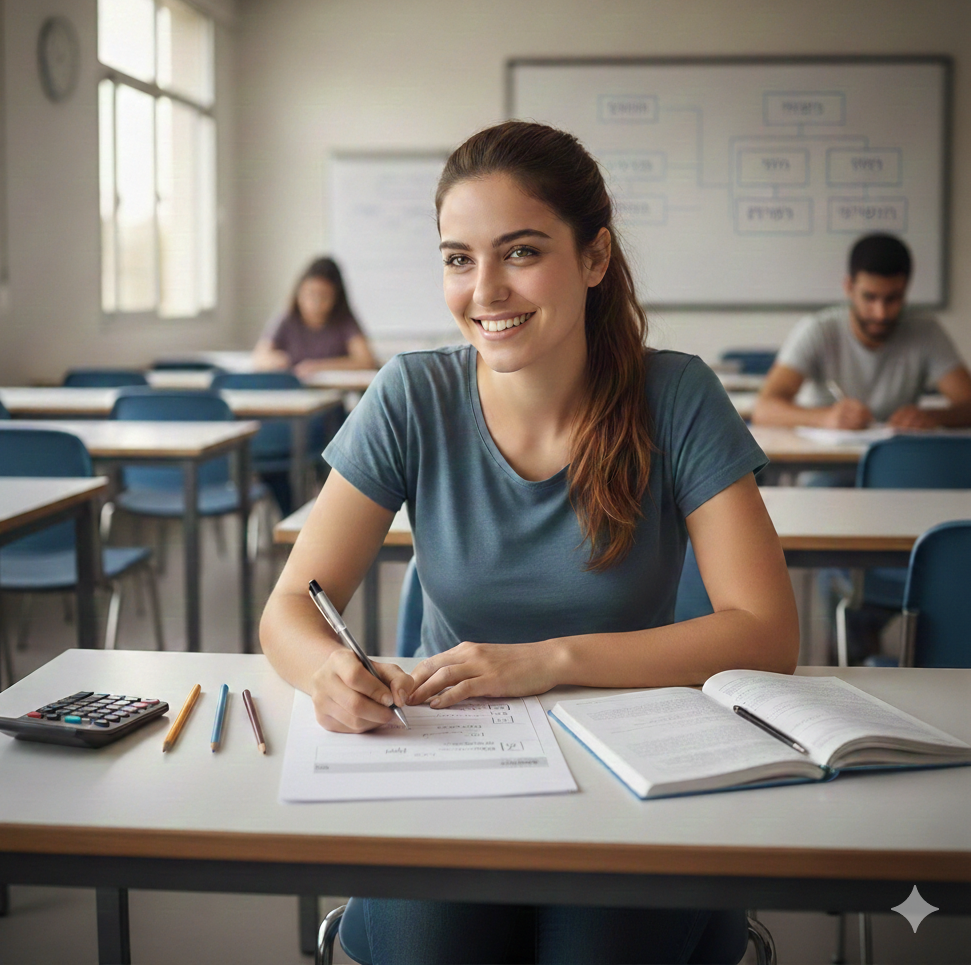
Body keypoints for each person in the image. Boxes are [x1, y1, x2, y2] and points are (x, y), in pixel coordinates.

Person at [259, 122, 799, 964]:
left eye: (519, 252)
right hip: (453, 765)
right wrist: (323, 673)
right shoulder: (411, 394)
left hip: (640, 765)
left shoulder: (678, 395)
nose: (485, 290)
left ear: (594, 258)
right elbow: (292, 606)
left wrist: (548, 660)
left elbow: (766, 633)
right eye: (457, 258)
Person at [753, 234, 971, 430]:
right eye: (870, 297)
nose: (881, 313)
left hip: (895, 462)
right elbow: (763, 409)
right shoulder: (818, 330)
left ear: (905, 292)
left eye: (892, 299)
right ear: (849, 287)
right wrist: (825, 418)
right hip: (826, 464)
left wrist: (934, 417)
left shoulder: (926, 331)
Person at [253, 256, 378, 380]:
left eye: (323, 296)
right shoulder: (288, 318)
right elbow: (260, 356)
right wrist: (275, 361)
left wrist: (318, 367)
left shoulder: (344, 321)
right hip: (292, 392)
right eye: (309, 294)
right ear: (298, 292)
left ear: (336, 298)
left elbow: (366, 361)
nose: (315, 303)